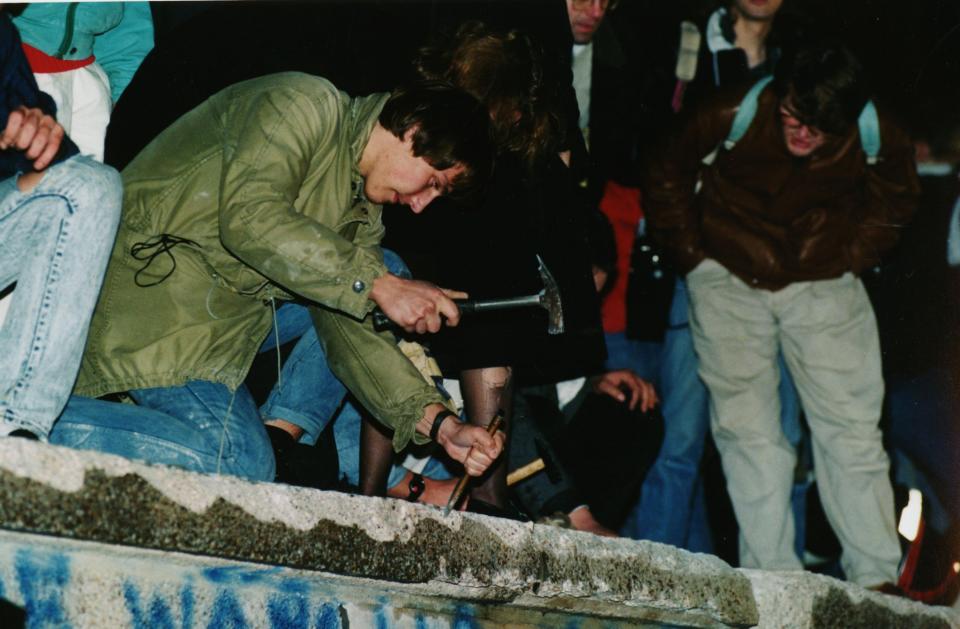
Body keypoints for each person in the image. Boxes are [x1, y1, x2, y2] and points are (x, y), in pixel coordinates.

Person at [51, 73, 504, 483]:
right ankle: (24, 416)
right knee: (238, 461)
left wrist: (441, 425)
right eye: (432, 182)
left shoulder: (361, 212)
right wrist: (382, 285)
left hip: (209, 334)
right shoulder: (303, 103)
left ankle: (275, 439)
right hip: (143, 305)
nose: (422, 204)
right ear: (412, 133)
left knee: (376, 277)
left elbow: (352, 331)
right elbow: (251, 219)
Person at [644, 43, 919, 587]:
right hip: (727, 271)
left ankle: (877, 579)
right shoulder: (735, 108)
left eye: (818, 129)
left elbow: (898, 194)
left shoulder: (874, 128)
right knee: (749, 434)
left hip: (825, 278)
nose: (800, 134)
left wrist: (852, 256)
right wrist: (695, 261)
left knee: (852, 431)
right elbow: (665, 169)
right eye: (793, 117)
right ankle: (773, 578)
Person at [619, 0, 808, 552]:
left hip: (782, 275)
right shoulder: (685, 48)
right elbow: (648, 153)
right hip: (705, 271)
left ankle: (785, 586)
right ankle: (650, 579)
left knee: (781, 438)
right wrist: (692, 250)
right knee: (680, 436)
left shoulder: (799, 59)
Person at [0, 12, 121, 441]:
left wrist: (36, 150)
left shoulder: (3, 39)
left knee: (93, 186)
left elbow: (56, 175)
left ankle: (17, 430)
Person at [13, 2, 154, 161]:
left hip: (86, 84)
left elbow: (129, 37)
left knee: (91, 174)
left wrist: (123, 96)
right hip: (18, 69)